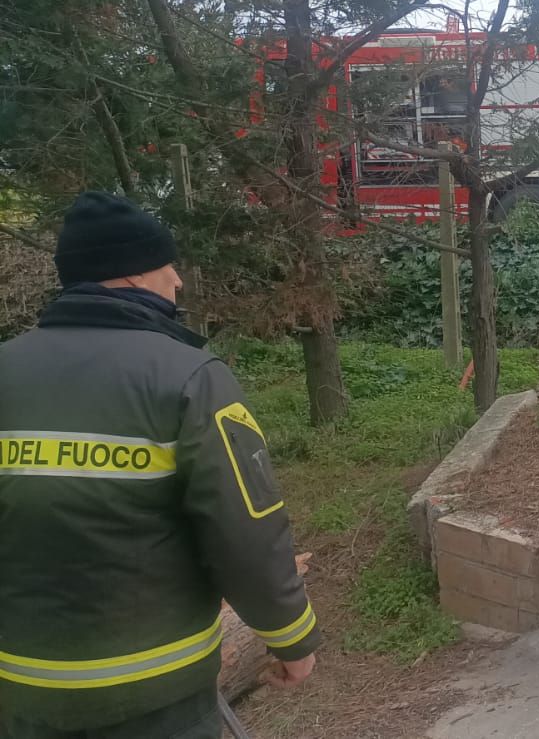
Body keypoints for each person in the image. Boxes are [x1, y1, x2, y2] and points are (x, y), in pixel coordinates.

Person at [0, 192, 319, 739]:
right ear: (128, 275)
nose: (177, 280)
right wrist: (291, 638)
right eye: (165, 265)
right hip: (156, 689)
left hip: (21, 686)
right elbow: (246, 527)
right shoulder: (190, 378)